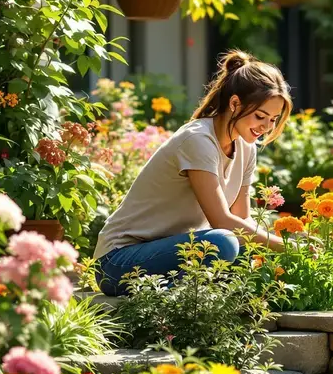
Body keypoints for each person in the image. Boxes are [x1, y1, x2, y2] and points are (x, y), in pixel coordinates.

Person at [93, 50, 292, 296]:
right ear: (234, 103)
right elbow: (223, 221)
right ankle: (179, 302)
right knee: (224, 242)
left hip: (170, 256)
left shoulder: (246, 148)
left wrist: (277, 250)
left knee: (244, 252)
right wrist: (287, 247)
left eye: (273, 119)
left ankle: (192, 298)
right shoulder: (198, 139)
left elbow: (242, 219)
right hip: (118, 262)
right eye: (260, 116)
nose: (266, 127)